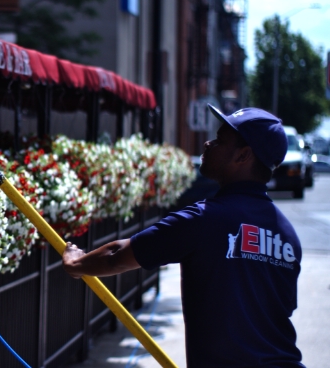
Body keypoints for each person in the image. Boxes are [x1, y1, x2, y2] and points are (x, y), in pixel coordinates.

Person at [63, 104, 305, 367]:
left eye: (220, 140)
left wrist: (77, 264)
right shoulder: (287, 235)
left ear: (243, 155)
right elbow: (281, 311)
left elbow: (117, 256)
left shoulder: (206, 219)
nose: (208, 143)